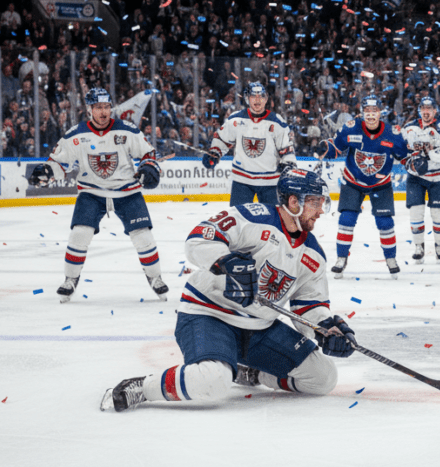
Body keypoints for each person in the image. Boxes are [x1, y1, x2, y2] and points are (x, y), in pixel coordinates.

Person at [99, 169, 357, 412]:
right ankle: (143, 387)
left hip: (259, 329)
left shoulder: (314, 255)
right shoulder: (253, 217)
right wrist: (225, 261)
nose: (321, 210)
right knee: (213, 381)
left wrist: (326, 328)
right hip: (209, 314)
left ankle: (253, 374)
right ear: (293, 201)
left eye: (322, 203)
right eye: (314, 202)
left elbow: (309, 305)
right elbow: (198, 238)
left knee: (323, 377)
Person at [30, 88, 168, 303]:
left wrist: (149, 167)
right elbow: (60, 162)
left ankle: (155, 277)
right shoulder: (76, 134)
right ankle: (70, 279)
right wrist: (48, 171)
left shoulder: (127, 129)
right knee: (79, 234)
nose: (103, 112)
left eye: (106, 107)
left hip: (127, 191)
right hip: (91, 192)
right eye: (98, 107)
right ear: (89, 110)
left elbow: (148, 154)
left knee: (143, 236)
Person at [318, 95, 410, 279]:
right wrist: (326, 148)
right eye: (367, 111)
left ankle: (391, 259)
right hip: (353, 181)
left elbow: (406, 157)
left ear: (380, 113)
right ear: (362, 113)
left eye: (374, 111)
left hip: (381, 184)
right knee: (346, 219)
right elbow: (336, 147)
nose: (370, 115)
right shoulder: (351, 127)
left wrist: (415, 163)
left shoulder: (392, 133)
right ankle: (341, 258)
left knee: (385, 223)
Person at [202, 82, 297, 206]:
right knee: (238, 216)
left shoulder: (277, 122)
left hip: (270, 182)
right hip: (242, 180)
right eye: (253, 96)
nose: (257, 100)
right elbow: (222, 140)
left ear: (266, 99)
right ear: (247, 98)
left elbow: (287, 148)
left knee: (274, 217)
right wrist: (214, 152)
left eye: (261, 96)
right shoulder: (236, 119)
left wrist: (288, 164)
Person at [402, 96, 440, 264]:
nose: (426, 112)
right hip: (416, 177)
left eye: (429, 109)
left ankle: (439, 246)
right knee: (416, 212)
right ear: (419, 110)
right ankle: (418, 247)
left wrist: (429, 151)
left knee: (438, 214)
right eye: (423, 108)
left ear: (435, 111)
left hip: (438, 177)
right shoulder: (409, 127)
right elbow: (402, 151)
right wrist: (410, 161)